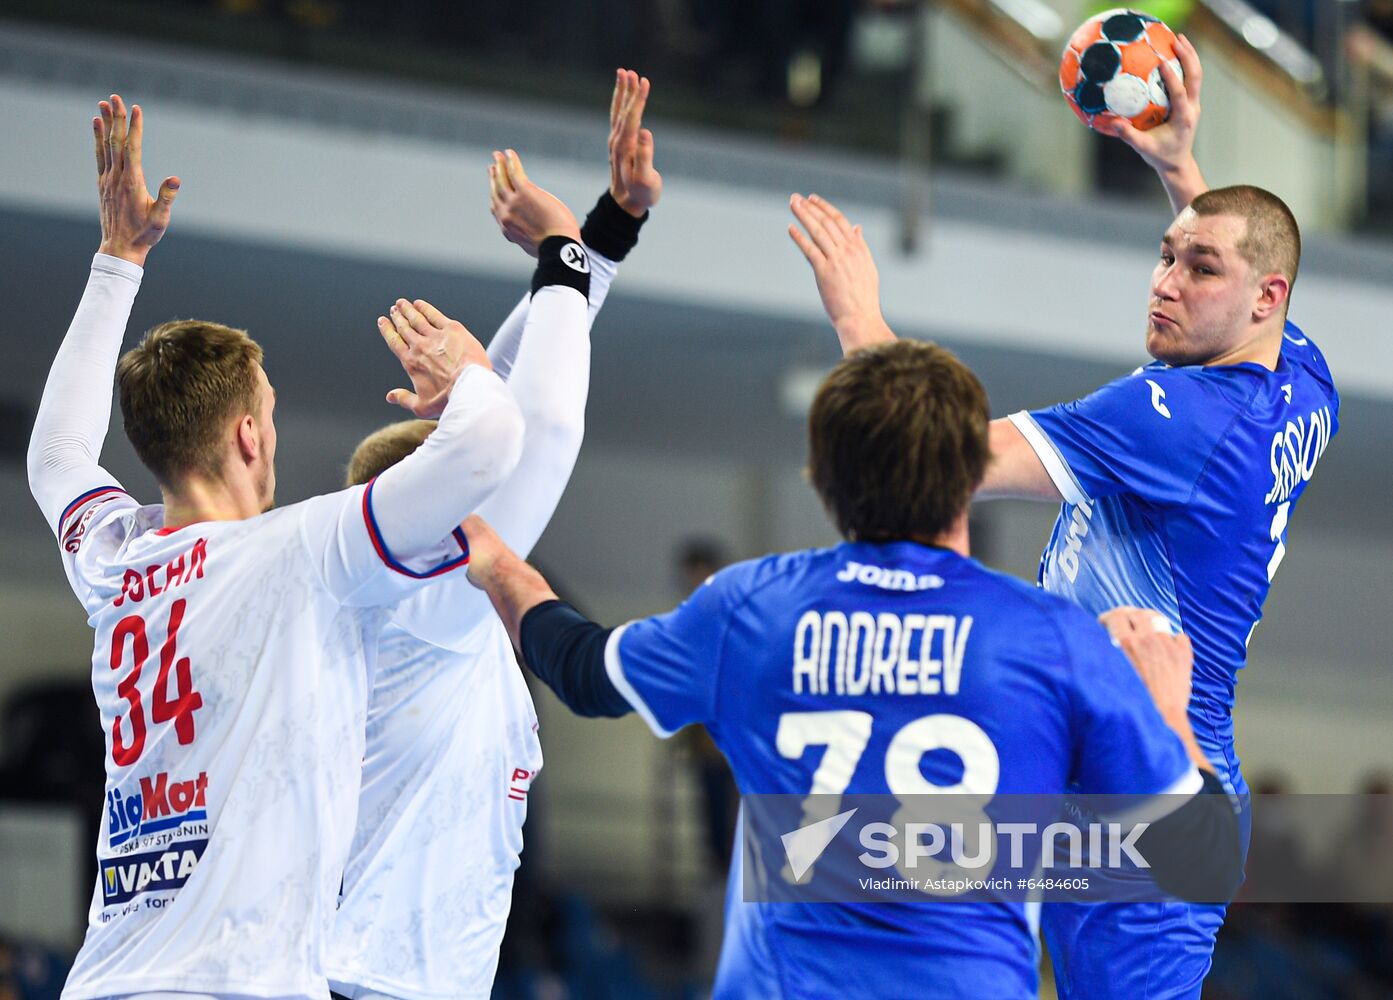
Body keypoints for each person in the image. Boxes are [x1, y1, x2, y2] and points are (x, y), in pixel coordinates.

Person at [786, 35, 1339, 1000]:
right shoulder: (1302, 376)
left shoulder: (1170, 423)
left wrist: (856, 321)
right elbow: (1247, 266)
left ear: (1265, 297)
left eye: (1196, 269)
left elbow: (931, 461)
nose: (1166, 282)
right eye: (1166, 256)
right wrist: (1181, 173)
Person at [454, 338, 1241, 999]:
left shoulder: (751, 610)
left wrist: (497, 563)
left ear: (822, 478)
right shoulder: (1053, 639)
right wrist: (1169, 714)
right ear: (971, 475)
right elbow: (1195, 856)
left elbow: (582, 671)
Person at [25, 94, 568, 1000]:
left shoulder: (114, 561)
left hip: (109, 980)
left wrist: (116, 262)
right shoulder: (301, 553)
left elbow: (56, 455)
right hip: (234, 985)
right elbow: (493, 446)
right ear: (248, 436)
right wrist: (467, 373)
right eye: (269, 415)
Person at [324, 69, 660, 1000]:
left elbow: (519, 386)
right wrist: (557, 246)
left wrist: (607, 232)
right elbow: (541, 423)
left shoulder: (415, 591)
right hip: (367, 985)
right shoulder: (418, 599)